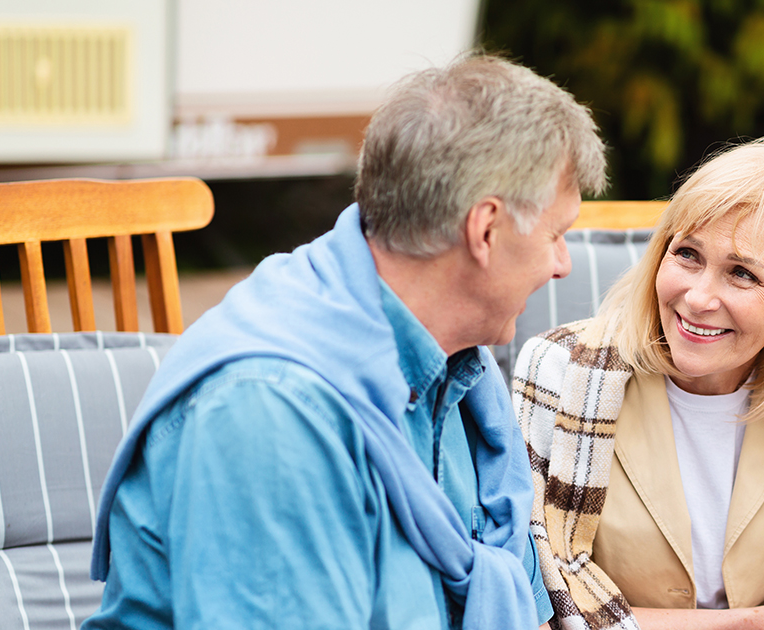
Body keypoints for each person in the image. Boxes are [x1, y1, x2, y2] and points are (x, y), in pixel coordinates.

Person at [82, 54, 606, 630]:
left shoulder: (462, 375)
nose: (563, 264)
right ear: (485, 229)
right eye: (556, 235)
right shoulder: (270, 414)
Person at [512, 134, 764, 630]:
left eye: (742, 274)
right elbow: (535, 601)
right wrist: (745, 624)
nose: (697, 298)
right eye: (688, 254)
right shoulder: (560, 374)